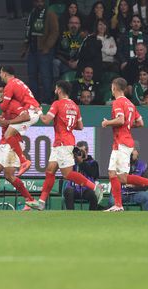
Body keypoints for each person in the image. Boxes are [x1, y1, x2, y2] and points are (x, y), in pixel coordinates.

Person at [27, 80, 103, 210]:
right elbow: (80, 126)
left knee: (67, 174)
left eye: (56, 88)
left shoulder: (57, 104)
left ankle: (95, 187)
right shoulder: (74, 106)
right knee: (50, 171)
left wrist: (39, 111)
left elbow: (45, 120)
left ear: (59, 89)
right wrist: (68, 125)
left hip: (63, 143)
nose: (55, 90)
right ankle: (41, 202)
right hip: (61, 143)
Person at [101, 77, 148, 212]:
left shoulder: (118, 102)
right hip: (122, 142)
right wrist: (128, 125)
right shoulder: (130, 104)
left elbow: (120, 120)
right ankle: (118, 205)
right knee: (112, 173)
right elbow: (141, 123)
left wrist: (107, 123)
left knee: (122, 177)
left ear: (114, 88)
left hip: (122, 142)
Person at [0, 65, 42, 176]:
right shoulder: (18, 82)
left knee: (8, 134)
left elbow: (4, 107)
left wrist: (2, 100)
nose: (0, 75)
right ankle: (4, 151)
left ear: (4, 73)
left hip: (30, 112)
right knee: (11, 133)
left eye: (0, 73)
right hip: (34, 110)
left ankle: (24, 161)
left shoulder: (10, 85)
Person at [22, 0, 59, 104]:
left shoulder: (50, 13)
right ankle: (34, 100)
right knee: (32, 75)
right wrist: (25, 47)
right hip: (33, 49)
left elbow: (55, 32)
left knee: (46, 76)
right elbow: (28, 31)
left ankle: (47, 99)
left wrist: (47, 46)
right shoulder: (32, 14)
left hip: (44, 50)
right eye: (37, 1)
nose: (39, 3)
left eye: (41, 1)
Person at [62, 141, 100, 210]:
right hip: (74, 188)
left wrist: (81, 162)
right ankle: (70, 214)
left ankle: (92, 215)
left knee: (93, 195)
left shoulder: (93, 162)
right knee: (68, 191)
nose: (80, 153)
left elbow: (94, 175)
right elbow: (67, 173)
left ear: (87, 150)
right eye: (78, 151)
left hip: (86, 189)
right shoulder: (72, 163)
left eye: (82, 151)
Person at [54, 15, 83, 79]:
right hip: (65, 64)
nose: (74, 25)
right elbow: (57, 53)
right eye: (71, 23)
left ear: (79, 25)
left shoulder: (84, 37)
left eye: (76, 23)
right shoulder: (62, 36)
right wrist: (67, 62)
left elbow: (87, 54)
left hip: (79, 65)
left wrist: (77, 62)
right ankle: (56, 84)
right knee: (55, 62)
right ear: (68, 25)